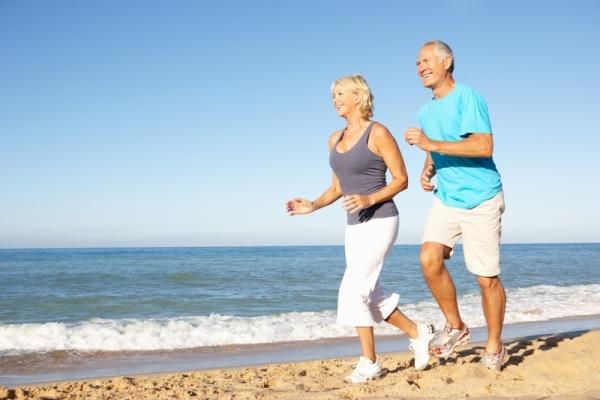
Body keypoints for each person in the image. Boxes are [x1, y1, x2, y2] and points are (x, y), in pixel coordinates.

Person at [286, 74, 435, 384]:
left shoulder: (378, 133)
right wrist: (312, 205)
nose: (335, 100)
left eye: (340, 94)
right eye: (333, 96)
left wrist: (369, 197)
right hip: (354, 225)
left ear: (358, 96)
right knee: (369, 293)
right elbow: (338, 187)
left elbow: (401, 179)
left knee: (353, 290)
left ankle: (369, 361)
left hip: (381, 219)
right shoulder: (334, 139)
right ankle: (418, 332)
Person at [404, 40, 507, 371]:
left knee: (485, 278)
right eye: (417, 63)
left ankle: (494, 346)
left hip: (481, 199)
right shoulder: (425, 111)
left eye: (426, 60)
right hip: (447, 198)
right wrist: (427, 168)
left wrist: (430, 143)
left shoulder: (468, 97)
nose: (420, 67)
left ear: (446, 62)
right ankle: (456, 327)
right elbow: (434, 150)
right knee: (429, 258)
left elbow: (483, 145)